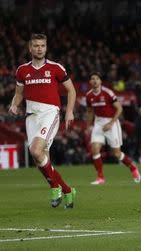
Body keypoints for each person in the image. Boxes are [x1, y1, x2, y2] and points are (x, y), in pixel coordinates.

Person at [9, 34, 77, 209]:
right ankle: (68, 190)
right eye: (36, 46)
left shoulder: (55, 68)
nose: (39, 48)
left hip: (50, 113)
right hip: (31, 115)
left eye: (42, 46)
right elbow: (19, 94)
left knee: (36, 150)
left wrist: (69, 111)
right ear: (30, 48)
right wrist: (14, 105)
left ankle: (55, 187)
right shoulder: (22, 70)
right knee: (39, 158)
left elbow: (71, 90)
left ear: (46, 48)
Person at [85, 72, 141, 185]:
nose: (95, 81)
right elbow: (90, 111)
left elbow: (119, 109)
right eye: (92, 79)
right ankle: (100, 178)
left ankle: (133, 167)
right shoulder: (89, 95)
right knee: (95, 149)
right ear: (90, 82)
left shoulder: (108, 93)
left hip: (111, 123)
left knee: (116, 153)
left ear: (100, 81)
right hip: (98, 123)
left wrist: (111, 123)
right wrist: (88, 126)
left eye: (97, 78)